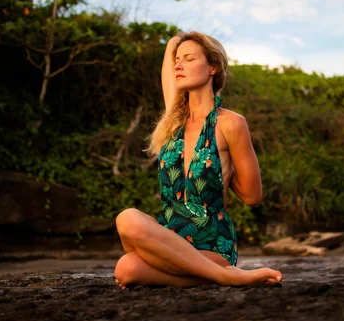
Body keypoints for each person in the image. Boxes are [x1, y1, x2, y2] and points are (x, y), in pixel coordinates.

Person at [114, 31, 282, 288]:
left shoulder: (231, 123)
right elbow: (171, 54)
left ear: (213, 67)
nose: (178, 65)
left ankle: (219, 271)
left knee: (128, 268)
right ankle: (222, 276)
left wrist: (220, 165)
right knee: (127, 223)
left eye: (189, 59)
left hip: (210, 240)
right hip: (168, 235)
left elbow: (252, 196)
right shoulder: (173, 122)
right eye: (177, 61)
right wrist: (180, 41)